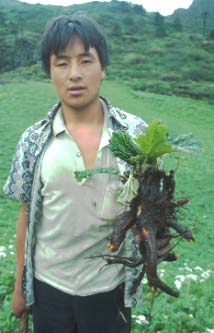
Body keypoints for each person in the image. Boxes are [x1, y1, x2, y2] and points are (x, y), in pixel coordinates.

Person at [4, 14, 169, 333]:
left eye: (86, 60)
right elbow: (26, 216)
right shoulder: (34, 140)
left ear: (103, 67)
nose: (74, 74)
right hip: (48, 288)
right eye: (62, 63)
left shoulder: (137, 135)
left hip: (112, 290)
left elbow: (154, 208)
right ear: (49, 72)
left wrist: (156, 237)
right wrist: (19, 288)